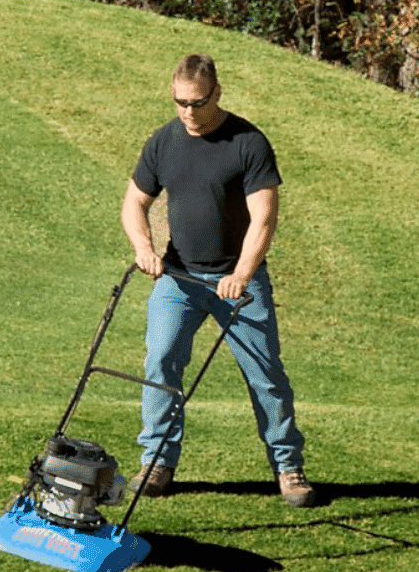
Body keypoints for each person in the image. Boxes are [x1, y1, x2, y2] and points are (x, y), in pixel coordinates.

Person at [120, 53, 315, 508]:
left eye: (197, 102)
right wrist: (145, 249)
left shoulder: (247, 142)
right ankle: (157, 463)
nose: (188, 111)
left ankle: (288, 468)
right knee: (161, 362)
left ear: (217, 93)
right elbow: (134, 203)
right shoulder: (163, 142)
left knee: (266, 376)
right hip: (179, 281)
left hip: (239, 286)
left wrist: (241, 274)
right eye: (180, 102)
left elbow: (263, 219)